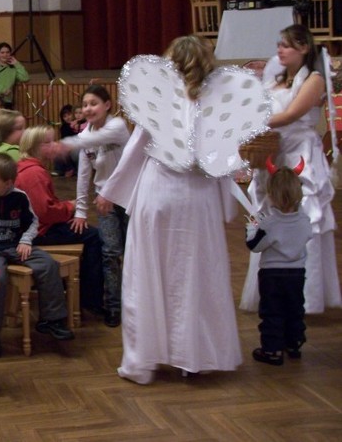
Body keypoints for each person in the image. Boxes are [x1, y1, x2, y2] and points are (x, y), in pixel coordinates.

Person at [104, 36, 247, 384]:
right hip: (198, 201)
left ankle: (143, 361)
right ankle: (194, 357)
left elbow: (135, 149)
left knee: (147, 276)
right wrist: (230, 200)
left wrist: (110, 190)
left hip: (159, 195)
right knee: (198, 275)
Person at [241, 24, 341, 314]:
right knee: (269, 214)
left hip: (300, 154)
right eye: (279, 44)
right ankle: (270, 291)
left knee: (305, 213)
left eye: (286, 45)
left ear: (303, 48)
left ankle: (307, 296)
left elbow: (291, 115)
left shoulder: (314, 79)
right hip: (273, 151)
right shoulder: (275, 81)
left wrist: (250, 123)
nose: (279, 50)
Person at [0, 153, 74, 359]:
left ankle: (52, 319)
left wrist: (26, 240)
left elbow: (33, 222)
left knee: (48, 264)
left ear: (8, 183)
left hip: (16, 246)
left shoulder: (20, 197)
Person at [55, 85, 130, 326]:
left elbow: (96, 139)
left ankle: (136, 304)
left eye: (94, 103)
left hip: (130, 197)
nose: (88, 108)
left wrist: (66, 143)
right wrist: (80, 211)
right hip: (104, 200)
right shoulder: (86, 137)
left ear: (107, 105)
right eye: (85, 104)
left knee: (133, 252)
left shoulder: (117, 126)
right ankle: (114, 306)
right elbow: (84, 174)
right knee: (110, 252)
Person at [16, 125, 106, 315]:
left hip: (37, 227)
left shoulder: (29, 168)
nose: (54, 145)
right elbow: (44, 212)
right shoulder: (34, 173)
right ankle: (90, 299)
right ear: (35, 147)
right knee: (94, 237)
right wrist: (70, 207)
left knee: (86, 231)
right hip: (40, 231)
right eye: (48, 142)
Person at [246, 161, 312, 366]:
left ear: (271, 195)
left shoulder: (269, 223)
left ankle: (272, 350)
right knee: (295, 309)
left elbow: (254, 246)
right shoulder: (304, 221)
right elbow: (307, 236)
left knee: (272, 312)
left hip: (271, 275)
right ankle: (294, 344)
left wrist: (252, 226)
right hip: (297, 274)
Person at [0, 42, 29, 113]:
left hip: (5, 101)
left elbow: (25, 78)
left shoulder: (13, 69)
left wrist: (17, 64)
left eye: (7, 52)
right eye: (2, 52)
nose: (5, 55)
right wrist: (3, 90)